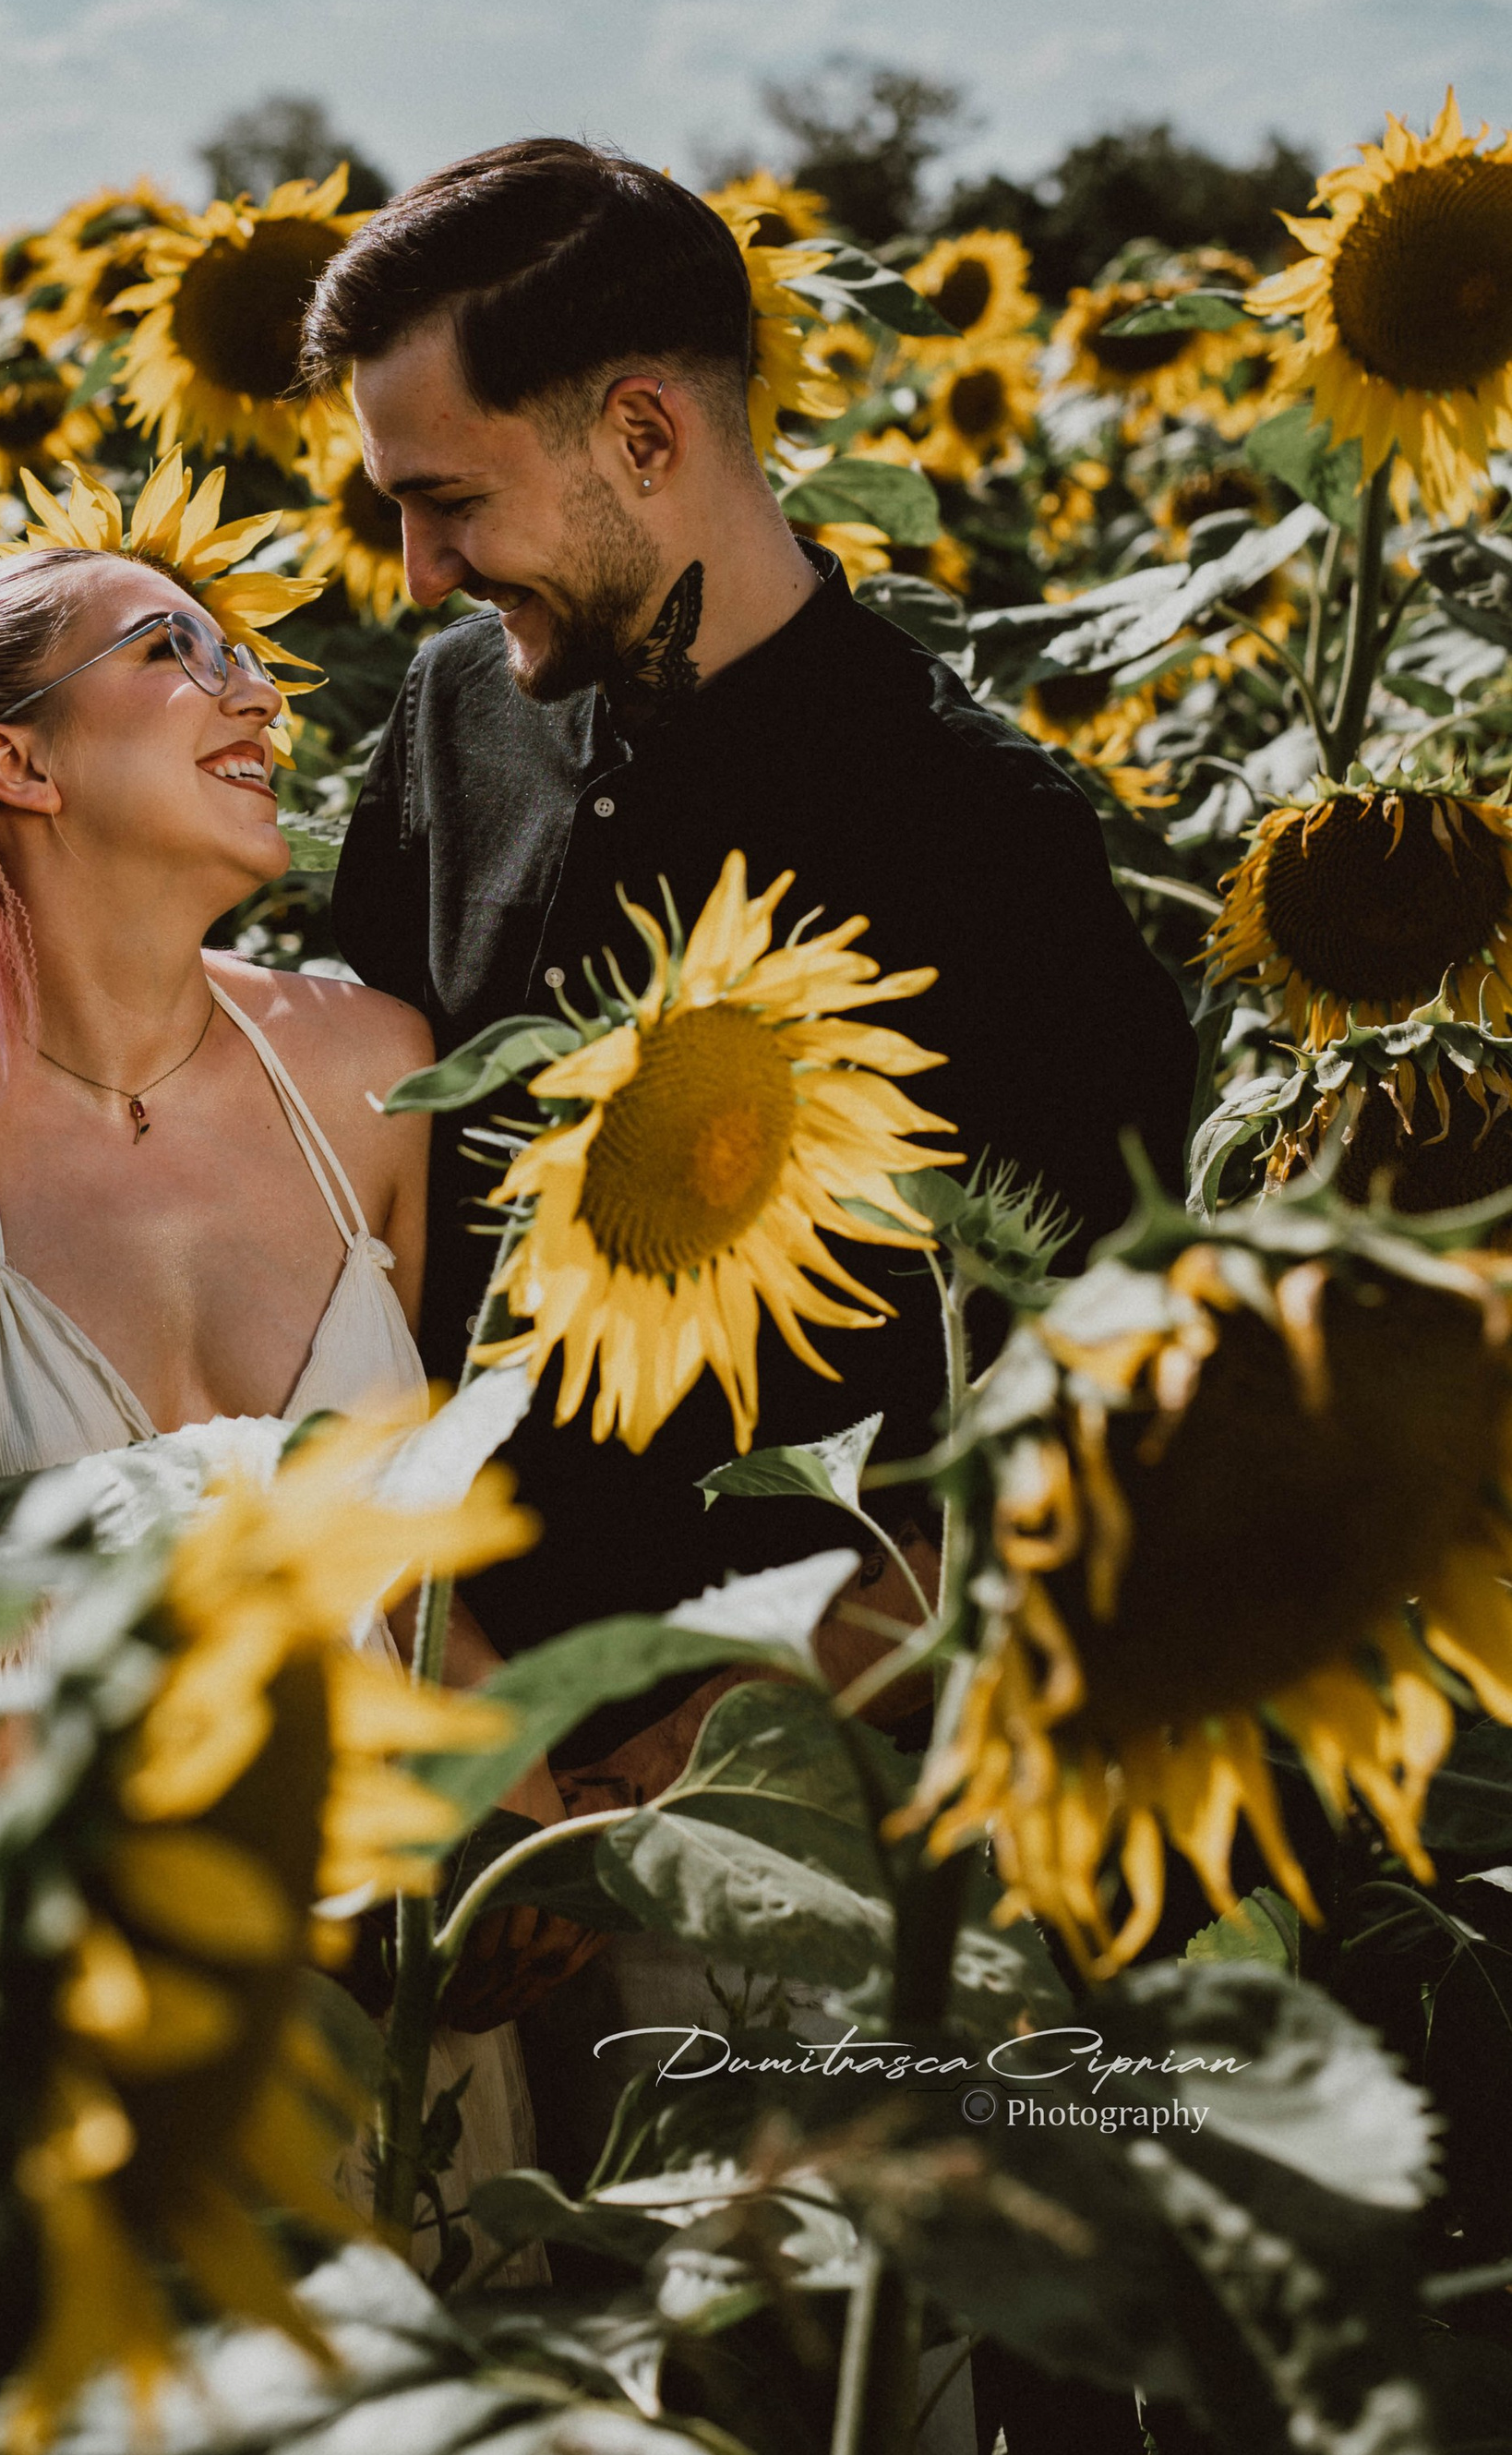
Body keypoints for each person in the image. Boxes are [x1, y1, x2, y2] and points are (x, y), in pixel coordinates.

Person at [300, 135, 1200, 1781]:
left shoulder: (976, 830)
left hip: (783, 1783)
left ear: (645, 432)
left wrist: (662, 1774)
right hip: (433, 1720)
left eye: (450, 502)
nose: (421, 573)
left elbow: (1088, 1403)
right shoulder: (453, 713)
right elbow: (348, 1196)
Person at [0, 542, 435, 1805]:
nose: (260, 696)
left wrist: (509, 1805)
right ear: (18, 761)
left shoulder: (371, 1073)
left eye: (248, 657)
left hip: (382, 1930)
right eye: (176, 650)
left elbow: (421, 1583)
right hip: (36, 1928)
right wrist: (164, 1888)